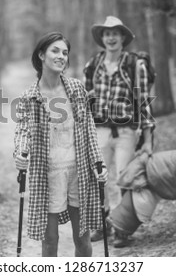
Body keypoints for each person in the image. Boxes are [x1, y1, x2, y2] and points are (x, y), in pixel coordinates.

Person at [14, 31, 108, 257]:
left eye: (65, 52)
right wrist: (20, 152)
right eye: (55, 51)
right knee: (50, 240)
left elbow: (89, 130)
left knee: (83, 239)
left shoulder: (76, 89)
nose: (61, 56)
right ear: (41, 55)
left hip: (79, 171)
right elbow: (22, 131)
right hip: (47, 174)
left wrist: (99, 163)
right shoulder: (29, 97)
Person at [83, 16, 154, 248]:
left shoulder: (135, 65)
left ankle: (122, 228)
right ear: (102, 38)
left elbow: (144, 103)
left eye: (115, 33)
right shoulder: (93, 65)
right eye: (106, 34)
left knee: (124, 178)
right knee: (98, 179)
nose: (111, 38)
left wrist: (147, 140)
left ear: (123, 37)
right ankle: (102, 223)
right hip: (99, 130)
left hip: (125, 131)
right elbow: (85, 100)